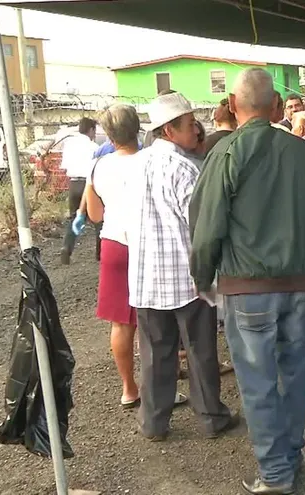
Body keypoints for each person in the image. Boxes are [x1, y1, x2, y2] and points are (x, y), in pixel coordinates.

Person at [189, 68, 305, 495]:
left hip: (247, 286)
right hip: (302, 283)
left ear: (234, 106)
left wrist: (203, 278)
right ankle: (290, 459)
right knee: (295, 374)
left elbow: (206, 228)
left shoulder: (226, 152)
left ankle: (276, 474)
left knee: (257, 381)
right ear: (276, 106)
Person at [125, 91, 236, 442]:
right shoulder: (184, 168)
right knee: (200, 351)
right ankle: (211, 417)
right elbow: (201, 225)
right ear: (169, 130)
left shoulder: (137, 163)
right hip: (185, 276)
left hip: (146, 276)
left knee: (156, 355)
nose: (197, 132)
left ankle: (154, 422)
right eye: (190, 126)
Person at [80, 104, 186, 409]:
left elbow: (95, 215)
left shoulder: (98, 166)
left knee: (120, 322)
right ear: (138, 129)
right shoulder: (150, 160)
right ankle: (159, 391)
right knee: (155, 322)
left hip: (114, 244)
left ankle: (129, 388)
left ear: (109, 135)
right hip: (147, 243)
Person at [60, 117, 100, 265]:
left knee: (74, 218)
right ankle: (100, 253)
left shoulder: (70, 145)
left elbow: (64, 167)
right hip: (88, 184)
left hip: (73, 183)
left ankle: (67, 248)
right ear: (91, 130)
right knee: (98, 219)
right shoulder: (94, 147)